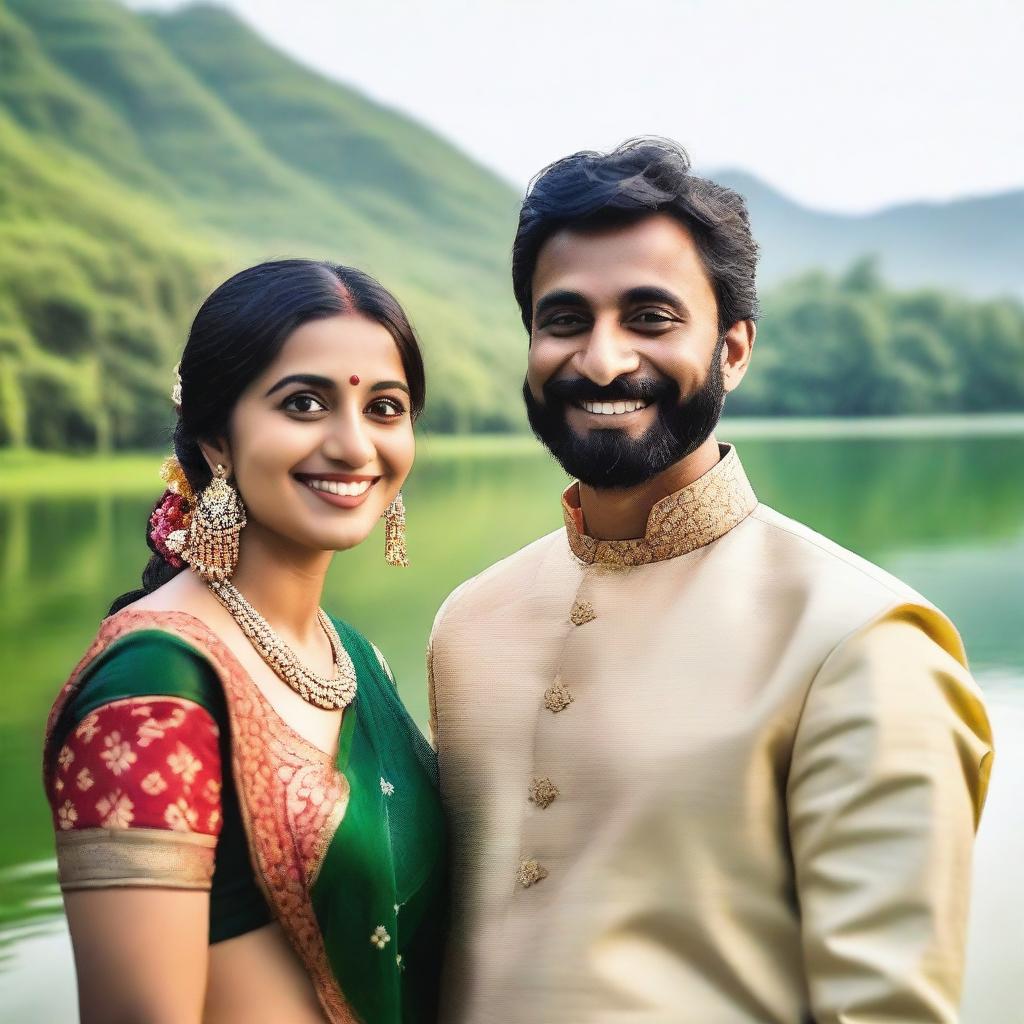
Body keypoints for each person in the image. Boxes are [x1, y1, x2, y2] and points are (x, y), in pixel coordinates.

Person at [427, 140, 994, 1024]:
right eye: (564, 319)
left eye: (650, 317)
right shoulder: (470, 621)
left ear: (733, 350)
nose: (603, 360)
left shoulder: (861, 640)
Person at [43, 260, 445, 1024]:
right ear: (215, 437)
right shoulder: (153, 690)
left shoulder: (358, 659)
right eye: (304, 403)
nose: (355, 445)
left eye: (386, 408)